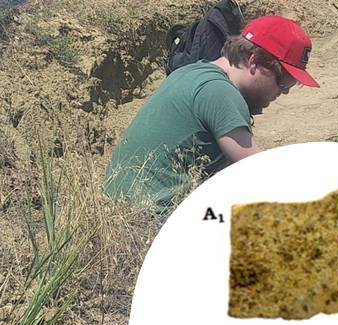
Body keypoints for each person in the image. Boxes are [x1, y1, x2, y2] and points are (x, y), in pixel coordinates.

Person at [105, 15, 318, 211]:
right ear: (254, 61)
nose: (285, 91)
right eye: (285, 80)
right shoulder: (220, 92)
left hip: (122, 213)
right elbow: (258, 173)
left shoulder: (193, 71)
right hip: (150, 221)